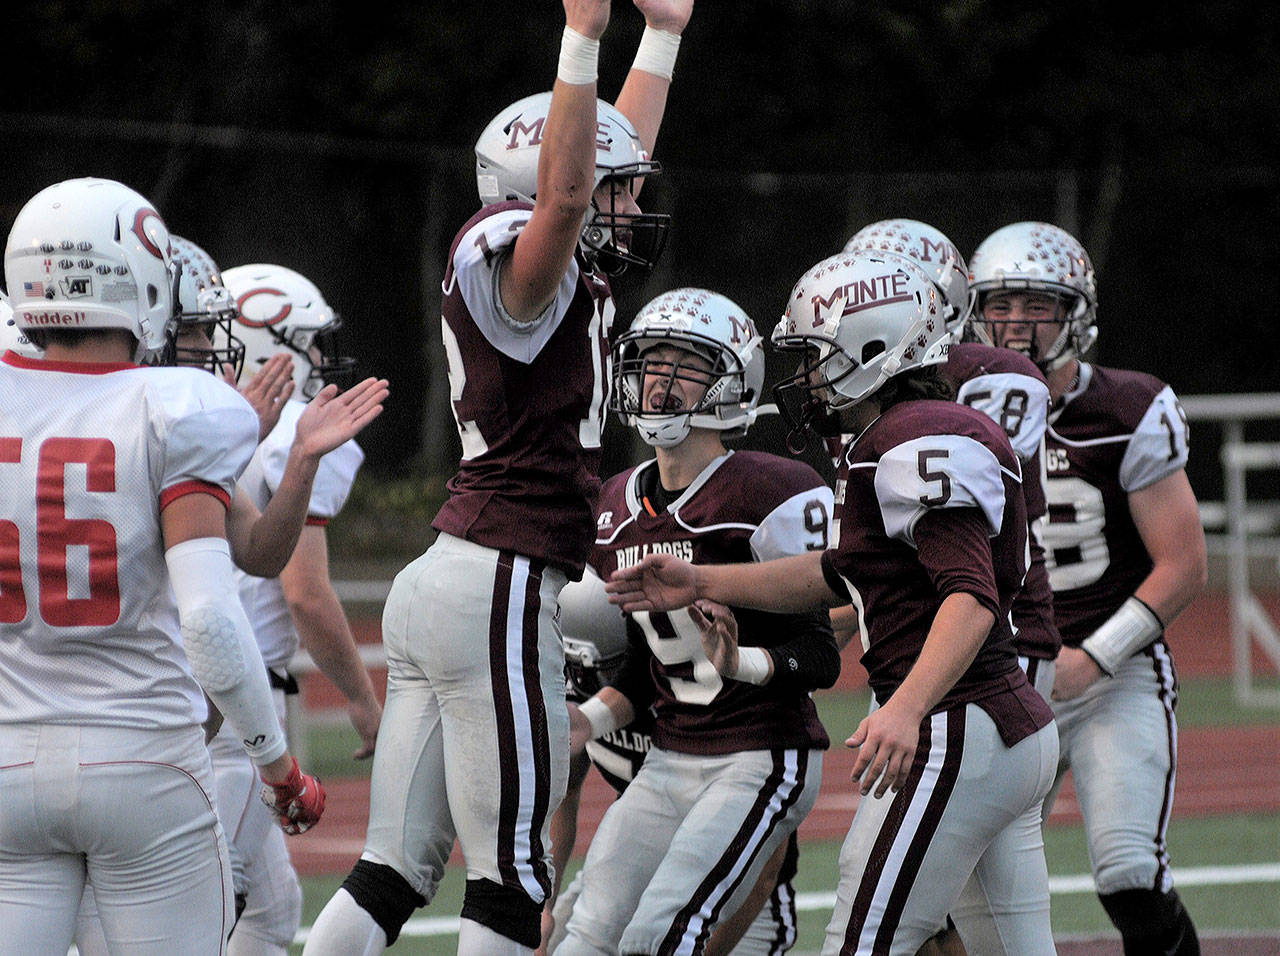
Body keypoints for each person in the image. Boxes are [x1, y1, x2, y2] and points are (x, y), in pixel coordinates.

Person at [303, 1, 691, 952]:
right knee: (514, 878)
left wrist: (666, 34)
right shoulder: (514, 253)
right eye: (615, 189)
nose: (630, 207)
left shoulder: (556, 252)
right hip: (503, 583)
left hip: (455, 574)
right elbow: (566, 198)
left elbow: (601, 164)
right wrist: (582, 39)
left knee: (392, 868)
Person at [607, 249, 1060, 955]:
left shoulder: (916, 437)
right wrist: (701, 581)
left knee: (862, 940)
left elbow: (969, 596)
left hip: (960, 722)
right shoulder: (895, 435)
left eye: (817, 356)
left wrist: (907, 707)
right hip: (998, 722)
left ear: (873, 348)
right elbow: (839, 570)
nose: (806, 376)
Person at [0, 177, 323, 955]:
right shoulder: (176, 406)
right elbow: (211, 619)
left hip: (9, 759)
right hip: (144, 760)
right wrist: (278, 768)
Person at [549, 289, 837, 955]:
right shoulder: (613, 502)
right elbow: (652, 666)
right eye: (652, 362)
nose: (660, 380)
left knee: (659, 935)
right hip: (672, 755)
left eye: (685, 364)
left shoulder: (770, 491)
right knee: (585, 934)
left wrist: (739, 662)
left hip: (762, 754)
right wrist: (586, 721)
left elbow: (819, 656)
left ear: (733, 384)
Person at [970, 220, 1207, 954]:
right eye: (1000, 306)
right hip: (1001, 678)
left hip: (1109, 676)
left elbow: (1184, 565)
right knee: (960, 886)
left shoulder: (1128, 408)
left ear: (1077, 314)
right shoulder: (955, 414)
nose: (1016, 325)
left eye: (1036, 306)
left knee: (1130, 871)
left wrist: (1095, 656)